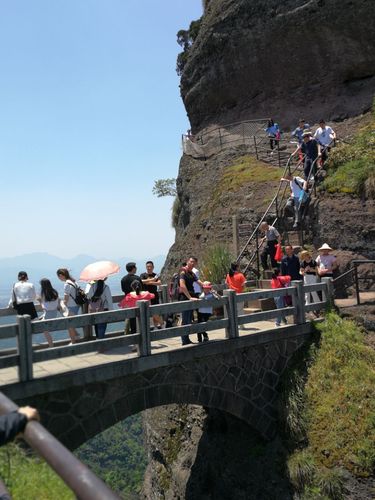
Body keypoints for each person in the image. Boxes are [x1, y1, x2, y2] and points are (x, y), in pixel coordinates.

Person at [178, 257, 203, 345]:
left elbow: (198, 281)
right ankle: (184, 340)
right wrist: (189, 297)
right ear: (187, 261)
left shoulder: (191, 273)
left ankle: (187, 339)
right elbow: (182, 285)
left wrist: (206, 286)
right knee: (185, 320)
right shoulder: (183, 271)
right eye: (191, 261)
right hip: (185, 298)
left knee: (188, 319)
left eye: (194, 262)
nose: (192, 263)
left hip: (191, 298)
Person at [38, 278, 67, 347]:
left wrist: (40, 302)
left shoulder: (44, 294)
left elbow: (45, 307)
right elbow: (56, 303)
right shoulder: (55, 292)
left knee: (45, 331)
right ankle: (51, 345)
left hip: (48, 314)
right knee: (38, 321)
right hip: (54, 313)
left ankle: (51, 346)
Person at [56, 268, 81, 344]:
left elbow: (66, 299)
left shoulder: (67, 284)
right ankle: (76, 335)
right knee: (71, 324)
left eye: (58, 276)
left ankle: (73, 342)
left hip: (71, 306)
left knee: (70, 325)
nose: (59, 278)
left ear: (61, 275)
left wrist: (61, 304)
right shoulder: (74, 282)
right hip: (76, 305)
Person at [140, 261, 163, 329]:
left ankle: (156, 327)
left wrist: (149, 282)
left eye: (150, 266)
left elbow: (159, 283)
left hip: (155, 295)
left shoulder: (155, 274)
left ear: (153, 267)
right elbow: (141, 281)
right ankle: (162, 323)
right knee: (152, 312)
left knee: (155, 311)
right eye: (147, 267)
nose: (149, 268)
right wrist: (153, 280)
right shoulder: (143, 275)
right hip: (146, 296)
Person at [121, 263, 142, 334]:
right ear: (133, 269)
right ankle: (138, 335)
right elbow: (141, 290)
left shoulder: (123, 279)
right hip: (137, 302)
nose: (136, 268)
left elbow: (123, 290)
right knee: (138, 319)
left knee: (130, 318)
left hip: (128, 301)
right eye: (135, 267)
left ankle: (132, 335)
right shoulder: (137, 278)